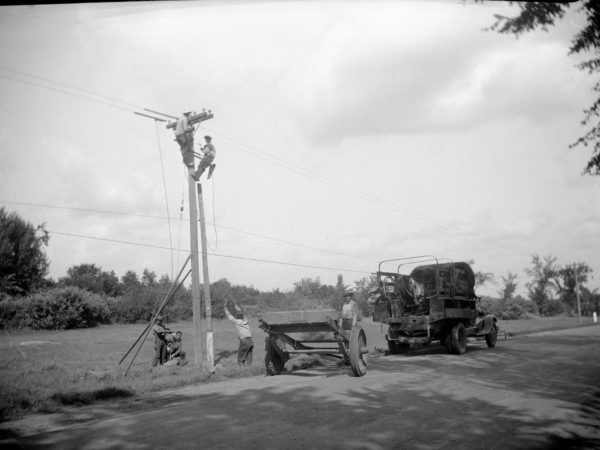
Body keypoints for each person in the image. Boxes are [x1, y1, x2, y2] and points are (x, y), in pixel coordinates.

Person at [223, 300, 254, 366]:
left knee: (240, 358)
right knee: (249, 358)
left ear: (237, 317)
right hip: (251, 341)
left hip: (244, 341)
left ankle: (242, 371)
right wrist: (236, 307)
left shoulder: (237, 322)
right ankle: (249, 370)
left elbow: (229, 316)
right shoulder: (246, 321)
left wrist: (225, 308)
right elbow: (242, 314)